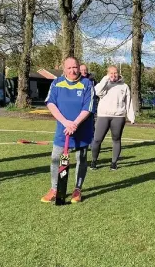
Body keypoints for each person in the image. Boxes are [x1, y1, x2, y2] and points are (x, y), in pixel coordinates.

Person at [41, 57, 95, 203]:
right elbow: (51, 103)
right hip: (63, 130)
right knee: (55, 159)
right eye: (69, 68)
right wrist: (65, 123)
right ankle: (54, 189)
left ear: (79, 67)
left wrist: (75, 124)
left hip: (82, 130)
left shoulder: (87, 84)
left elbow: (88, 108)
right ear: (63, 69)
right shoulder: (56, 83)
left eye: (75, 67)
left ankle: (77, 189)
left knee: (81, 159)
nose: (72, 70)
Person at [90, 65, 135, 170]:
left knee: (116, 139)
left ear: (118, 73)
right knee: (97, 140)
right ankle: (94, 160)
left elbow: (128, 102)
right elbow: (96, 92)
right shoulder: (104, 84)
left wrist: (131, 117)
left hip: (118, 117)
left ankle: (114, 163)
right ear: (107, 74)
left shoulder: (124, 86)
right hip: (103, 116)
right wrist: (106, 79)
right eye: (111, 73)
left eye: (115, 73)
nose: (113, 75)